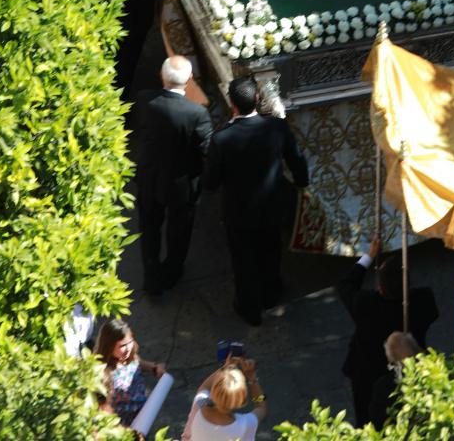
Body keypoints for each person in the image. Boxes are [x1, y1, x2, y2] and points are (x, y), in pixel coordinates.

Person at [204, 75, 309, 326]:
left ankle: (249, 308)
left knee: (243, 260)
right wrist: (302, 182)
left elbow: (211, 182)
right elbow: (296, 158)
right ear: (258, 99)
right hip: (271, 206)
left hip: (238, 213)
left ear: (232, 104)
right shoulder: (276, 128)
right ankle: (271, 294)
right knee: (271, 251)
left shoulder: (221, 139)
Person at [338, 237, 438, 428]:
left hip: (367, 372)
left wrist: (369, 256)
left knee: (367, 419)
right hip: (410, 366)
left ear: (380, 287)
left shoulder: (365, 305)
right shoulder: (422, 301)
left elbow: (346, 285)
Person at [134, 53, 212, 295]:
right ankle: (172, 272)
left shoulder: (145, 100)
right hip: (181, 184)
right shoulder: (196, 113)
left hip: (150, 178)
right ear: (189, 79)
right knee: (179, 230)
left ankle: (151, 276)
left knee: (149, 227)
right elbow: (207, 148)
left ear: (161, 76)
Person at [95, 319, 165, 429]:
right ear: (109, 346)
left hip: (143, 419)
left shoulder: (128, 357)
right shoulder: (104, 374)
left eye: (130, 342)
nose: (128, 349)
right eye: (122, 346)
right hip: (125, 428)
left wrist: (153, 367)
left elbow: (138, 363)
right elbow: (104, 413)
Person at [184, 359, 267, 440]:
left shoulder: (199, 404)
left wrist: (226, 366)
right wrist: (252, 378)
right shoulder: (245, 425)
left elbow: (205, 386)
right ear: (242, 400)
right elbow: (261, 407)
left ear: (213, 391)